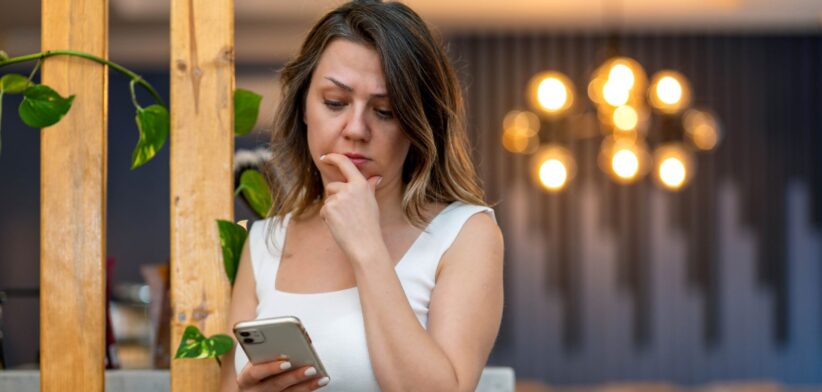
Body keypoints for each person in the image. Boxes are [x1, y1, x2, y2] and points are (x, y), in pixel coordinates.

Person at [219, 1, 504, 391]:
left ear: (417, 125)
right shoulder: (264, 243)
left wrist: (367, 247)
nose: (356, 128)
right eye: (335, 103)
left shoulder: (465, 235)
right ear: (304, 106)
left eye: (384, 111)